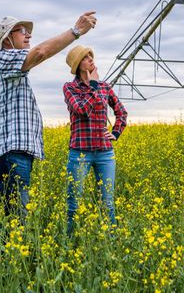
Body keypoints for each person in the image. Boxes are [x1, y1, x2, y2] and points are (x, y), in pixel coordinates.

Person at [0, 11, 97, 223]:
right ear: (7, 38)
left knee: (14, 217)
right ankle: (13, 255)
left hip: (12, 152)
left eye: (29, 32)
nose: (28, 36)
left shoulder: (8, 68)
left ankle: (11, 253)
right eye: (22, 31)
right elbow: (41, 52)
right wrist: (76, 31)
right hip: (11, 151)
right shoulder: (3, 59)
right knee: (18, 219)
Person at [63, 45, 128, 235]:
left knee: (107, 203)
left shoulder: (105, 87)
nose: (91, 59)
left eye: (91, 56)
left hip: (105, 153)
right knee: (74, 203)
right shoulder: (70, 88)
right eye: (85, 57)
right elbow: (81, 109)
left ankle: (111, 242)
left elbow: (121, 112)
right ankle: (70, 242)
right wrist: (93, 85)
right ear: (78, 64)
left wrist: (115, 133)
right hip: (80, 152)